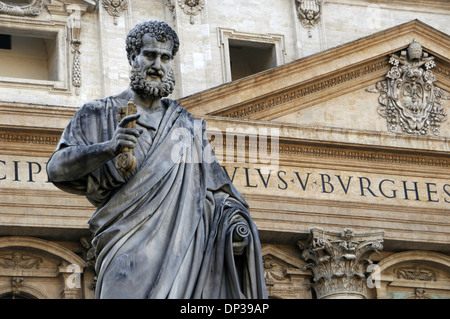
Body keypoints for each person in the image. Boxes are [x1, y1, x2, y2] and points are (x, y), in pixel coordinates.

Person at [47, 19, 267, 299]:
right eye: (150, 55)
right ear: (132, 58)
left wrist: (235, 226)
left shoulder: (186, 127)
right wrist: (108, 148)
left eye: (165, 57)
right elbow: (56, 168)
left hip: (182, 256)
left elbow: (219, 194)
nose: (157, 65)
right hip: (124, 251)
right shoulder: (97, 113)